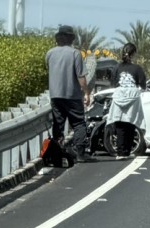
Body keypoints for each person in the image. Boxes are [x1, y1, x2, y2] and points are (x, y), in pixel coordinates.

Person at [45, 25, 96, 163]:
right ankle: (80, 153)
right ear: (71, 39)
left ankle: (56, 155)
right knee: (79, 123)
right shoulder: (75, 53)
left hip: (55, 95)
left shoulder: (49, 53)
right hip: (72, 95)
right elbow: (81, 77)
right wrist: (86, 93)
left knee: (58, 124)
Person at [107, 43, 147, 160]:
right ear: (133, 54)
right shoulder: (137, 68)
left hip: (118, 97)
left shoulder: (117, 68)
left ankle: (120, 152)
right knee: (130, 123)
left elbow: (113, 84)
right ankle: (127, 151)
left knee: (119, 124)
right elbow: (143, 84)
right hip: (133, 98)